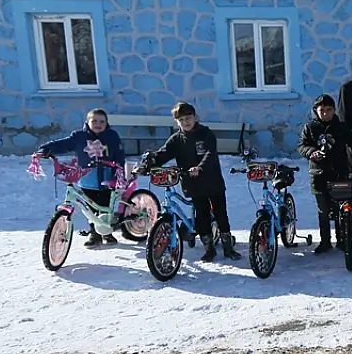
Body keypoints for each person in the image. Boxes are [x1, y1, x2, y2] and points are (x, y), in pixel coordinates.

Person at [143, 102, 240, 262]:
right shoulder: (176, 139)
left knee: (220, 214)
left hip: (212, 181)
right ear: (177, 122)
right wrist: (149, 163)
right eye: (181, 120)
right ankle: (209, 248)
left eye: (188, 118)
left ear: (195, 117)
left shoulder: (206, 134)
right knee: (202, 216)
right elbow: (164, 154)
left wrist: (199, 167)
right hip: (192, 184)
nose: (185, 122)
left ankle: (228, 247)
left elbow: (210, 154)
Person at [37, 108, 126, 247]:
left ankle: (107, 232)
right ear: (87, 122)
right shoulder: (80, 136)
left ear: (107, 123)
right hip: (87, 179)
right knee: (89, 207)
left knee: (104, 205)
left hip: (107, 178)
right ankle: (94, 233)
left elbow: (120, 154)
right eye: (94, 121)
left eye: (102, 121)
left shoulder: (112, 136)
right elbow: (64, 144)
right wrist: (46, 149)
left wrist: (119, 170)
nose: (98, 124)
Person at [297, 94, 352, 255]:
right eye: (322, 110)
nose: (325, 113)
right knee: (323, 209)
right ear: (316, 111)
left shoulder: (341, 127)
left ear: (334, 110)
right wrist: (312, 152)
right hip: (318, 173)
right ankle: (325, 241)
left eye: (329, 110)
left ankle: (342, 239)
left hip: (338, 172)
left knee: (340, 209)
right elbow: (302, 145)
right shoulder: (310, 127)